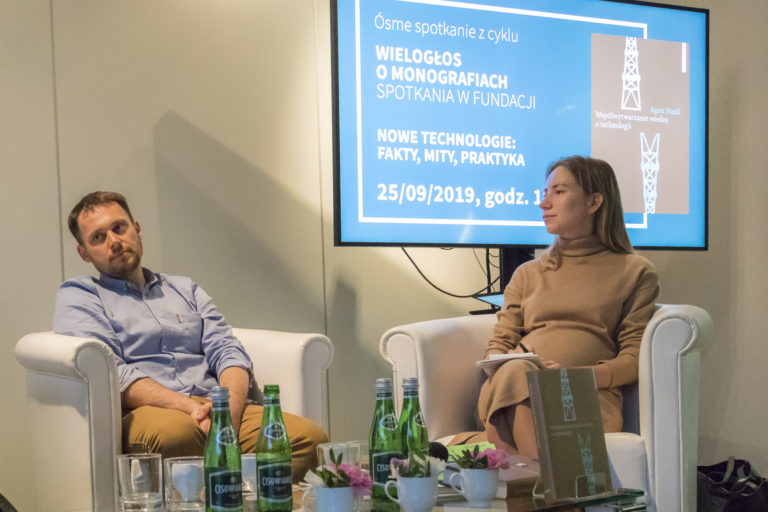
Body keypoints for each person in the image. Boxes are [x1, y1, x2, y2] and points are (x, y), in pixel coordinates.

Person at [53, 191, 328, 482]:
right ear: (84, 253)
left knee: (308, 439)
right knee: (177, 435)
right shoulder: (81, 295)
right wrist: (189, 407)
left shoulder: (185, 289)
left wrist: (227, 415)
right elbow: (114, 372)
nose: (114, 241)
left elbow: (227, 349)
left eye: (119, 228)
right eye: (98, 237)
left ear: (137, 229)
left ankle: (238, 498)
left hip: (215, 403)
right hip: (151, 410)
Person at [476, 156, 659, 457]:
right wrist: (513, 364)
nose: (544, 203)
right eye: (545, 193)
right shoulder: (527, 273)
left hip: (585, 396)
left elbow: (634, 358)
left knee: (519, 375)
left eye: (559, 192)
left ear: (593, 202)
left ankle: (521, 473)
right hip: (512, 390)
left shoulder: (635, 272)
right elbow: (497, 345)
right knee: (516, 371)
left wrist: (570, 378)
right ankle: (543, 480)